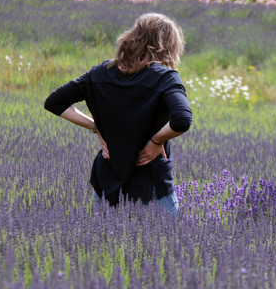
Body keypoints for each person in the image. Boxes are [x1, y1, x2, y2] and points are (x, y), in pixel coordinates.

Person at [44, 13, 192, 215]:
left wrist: (95, 127)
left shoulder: (100, 73)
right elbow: (182, 120)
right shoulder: (166, 78)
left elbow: (55, 102)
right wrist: (156, 142)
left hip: (107, 182)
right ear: (168, 46)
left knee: (104, 243)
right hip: (151, 185)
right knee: (164, 244)